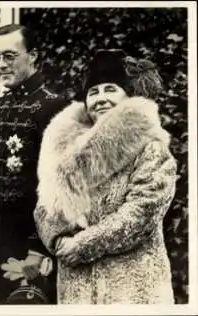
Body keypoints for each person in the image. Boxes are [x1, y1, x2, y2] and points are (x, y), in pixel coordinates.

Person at [34, 49, 177, 304]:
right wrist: (57, 239)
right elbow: (45, 207)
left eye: (110, 89)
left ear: (129, 95)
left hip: (132, 285)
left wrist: (83, 244)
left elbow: (142, 212)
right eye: (93, 92)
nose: (100, 99)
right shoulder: (64, 150)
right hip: (76, 287)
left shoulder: (150, 148)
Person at [0, 23, 69, 304]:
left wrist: (39, 246)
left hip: (32, 234)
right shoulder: (1, 105)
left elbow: (58, 185)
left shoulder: (53, 106)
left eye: (9, 56)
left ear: (32, 56)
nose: (1, 64)